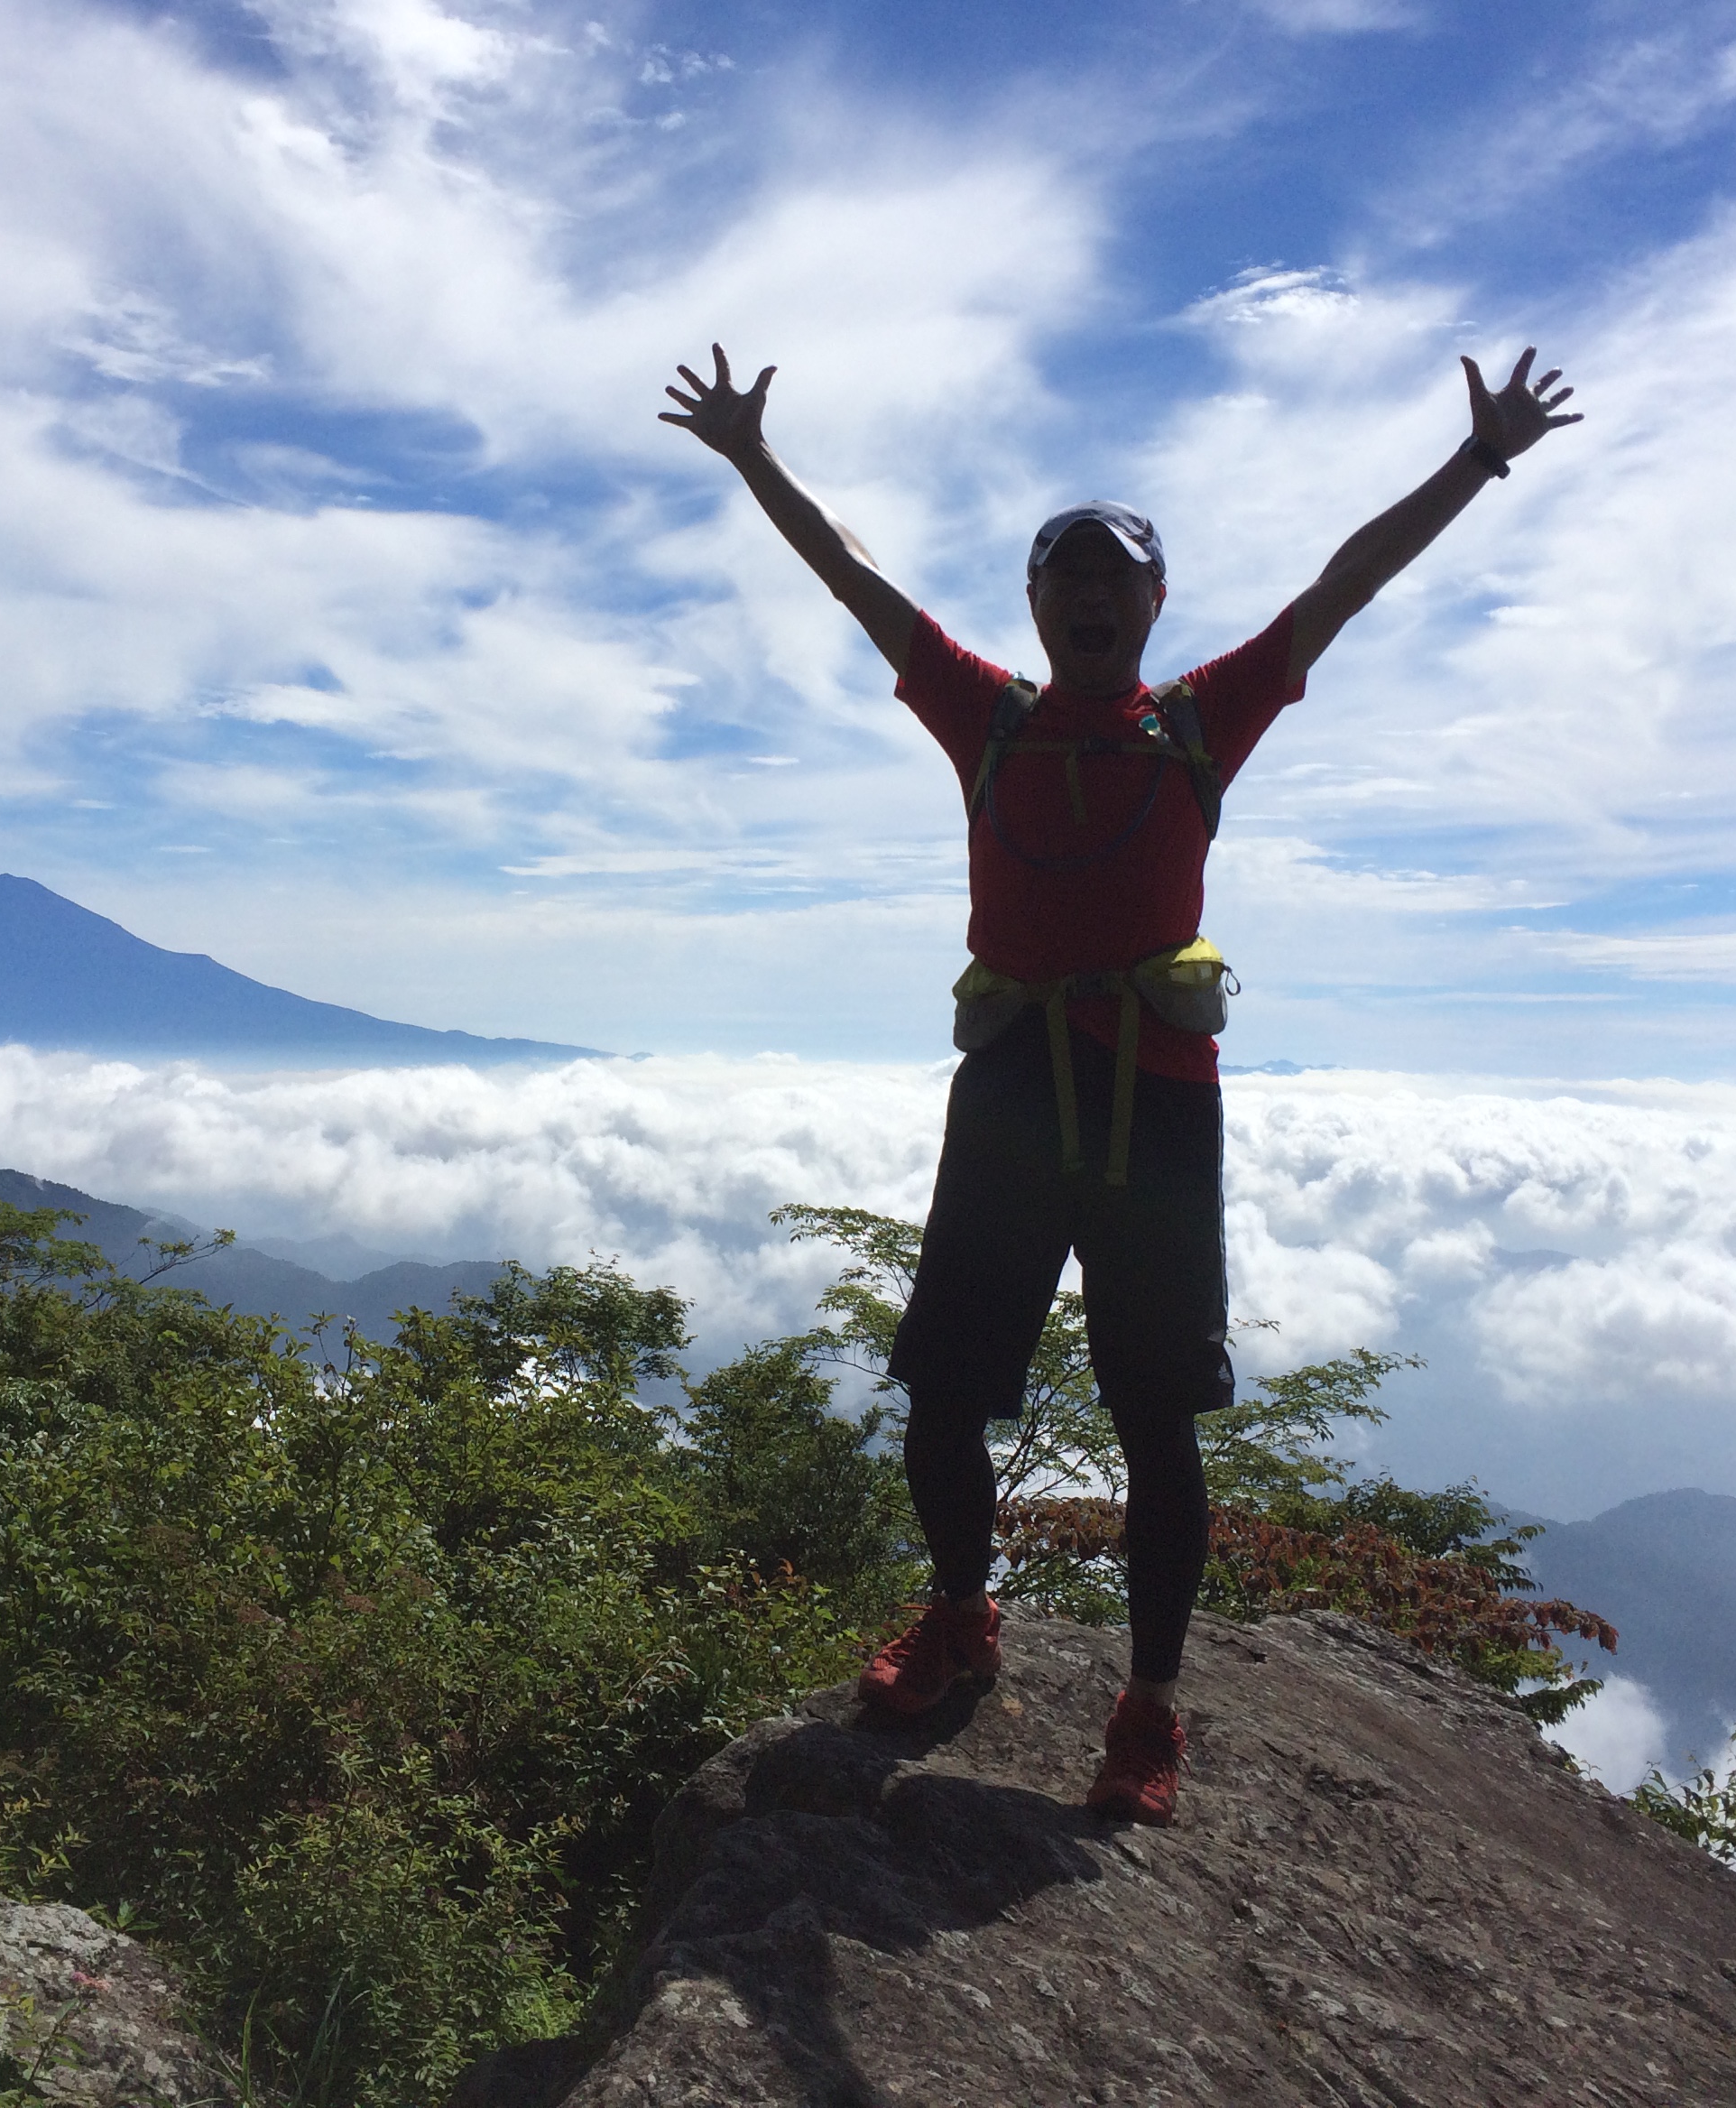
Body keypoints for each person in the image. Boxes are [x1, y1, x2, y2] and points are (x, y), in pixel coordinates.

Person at [660, 342, 1581, 1825]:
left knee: (1156, 1423)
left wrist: (1476, 464)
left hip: (1154, 1106)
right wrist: (756, 464)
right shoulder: (989, 716)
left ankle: (1149, 1710)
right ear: (1037, 607)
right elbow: (855, 579)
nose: (1090, 598)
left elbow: (1340, 591)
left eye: (1116, 580)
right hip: (1019, 1089)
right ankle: (963, 1622)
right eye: (1064, 581)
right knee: (944, 1399)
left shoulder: (1202, 721)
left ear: (1154, 606)